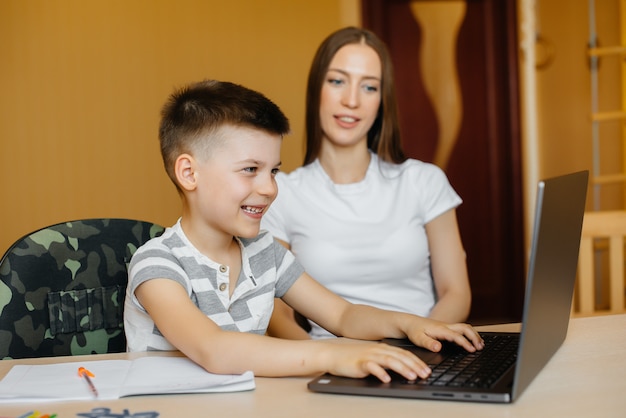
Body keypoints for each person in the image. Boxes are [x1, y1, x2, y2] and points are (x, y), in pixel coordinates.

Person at [123, 79, 483, 383]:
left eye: (274, 171)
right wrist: (331, 357)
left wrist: (409, 324)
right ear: (189, 173)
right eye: (250, 169)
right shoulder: (157, 263)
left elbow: (342, 316)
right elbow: (215, 350)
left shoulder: (264, 252)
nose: (269, 188)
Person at [261, 26, 472, 340]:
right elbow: (277, 316)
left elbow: (456, 293)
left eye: (369, 87)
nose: (351, 100)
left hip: (424, 353)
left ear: (381, 101)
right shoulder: (281, 194)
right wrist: (326, 359)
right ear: (317, 88)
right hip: (332, 363)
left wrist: (421, 344)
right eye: (337, 81)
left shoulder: (424, 181)